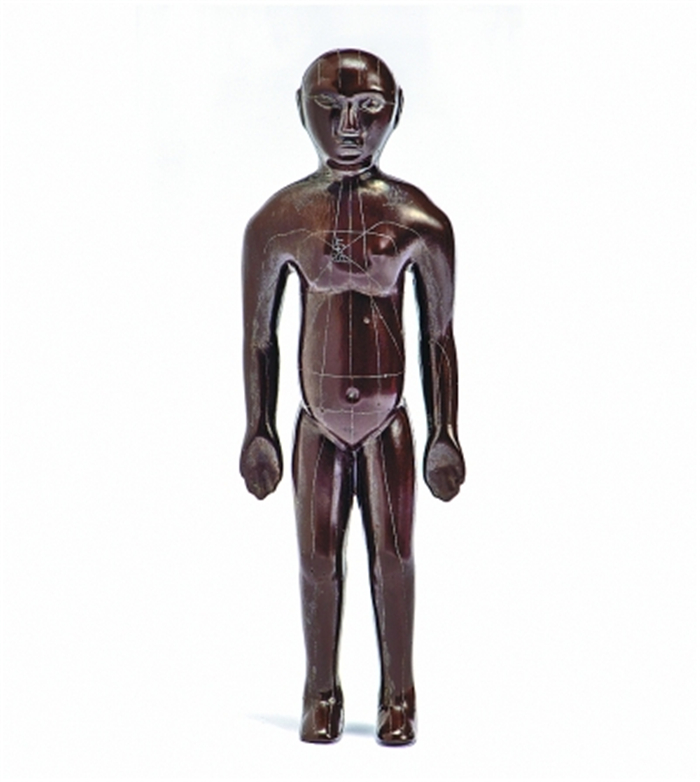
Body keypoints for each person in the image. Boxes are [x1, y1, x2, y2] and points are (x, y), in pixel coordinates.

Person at [240, 49, 465, 745]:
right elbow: (259, 336)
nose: (348, 127)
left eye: (368, 108)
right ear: (300, 109)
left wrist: (445, 432)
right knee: (317, 561)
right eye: (330, 107)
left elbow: (439, 336)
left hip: (388, 424)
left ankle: (399, 694)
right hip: (317, 427)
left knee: (393, 559)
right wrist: (258, 428)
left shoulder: (420, 222)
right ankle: (321, 691)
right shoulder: (280, 221)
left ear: (396, 112)